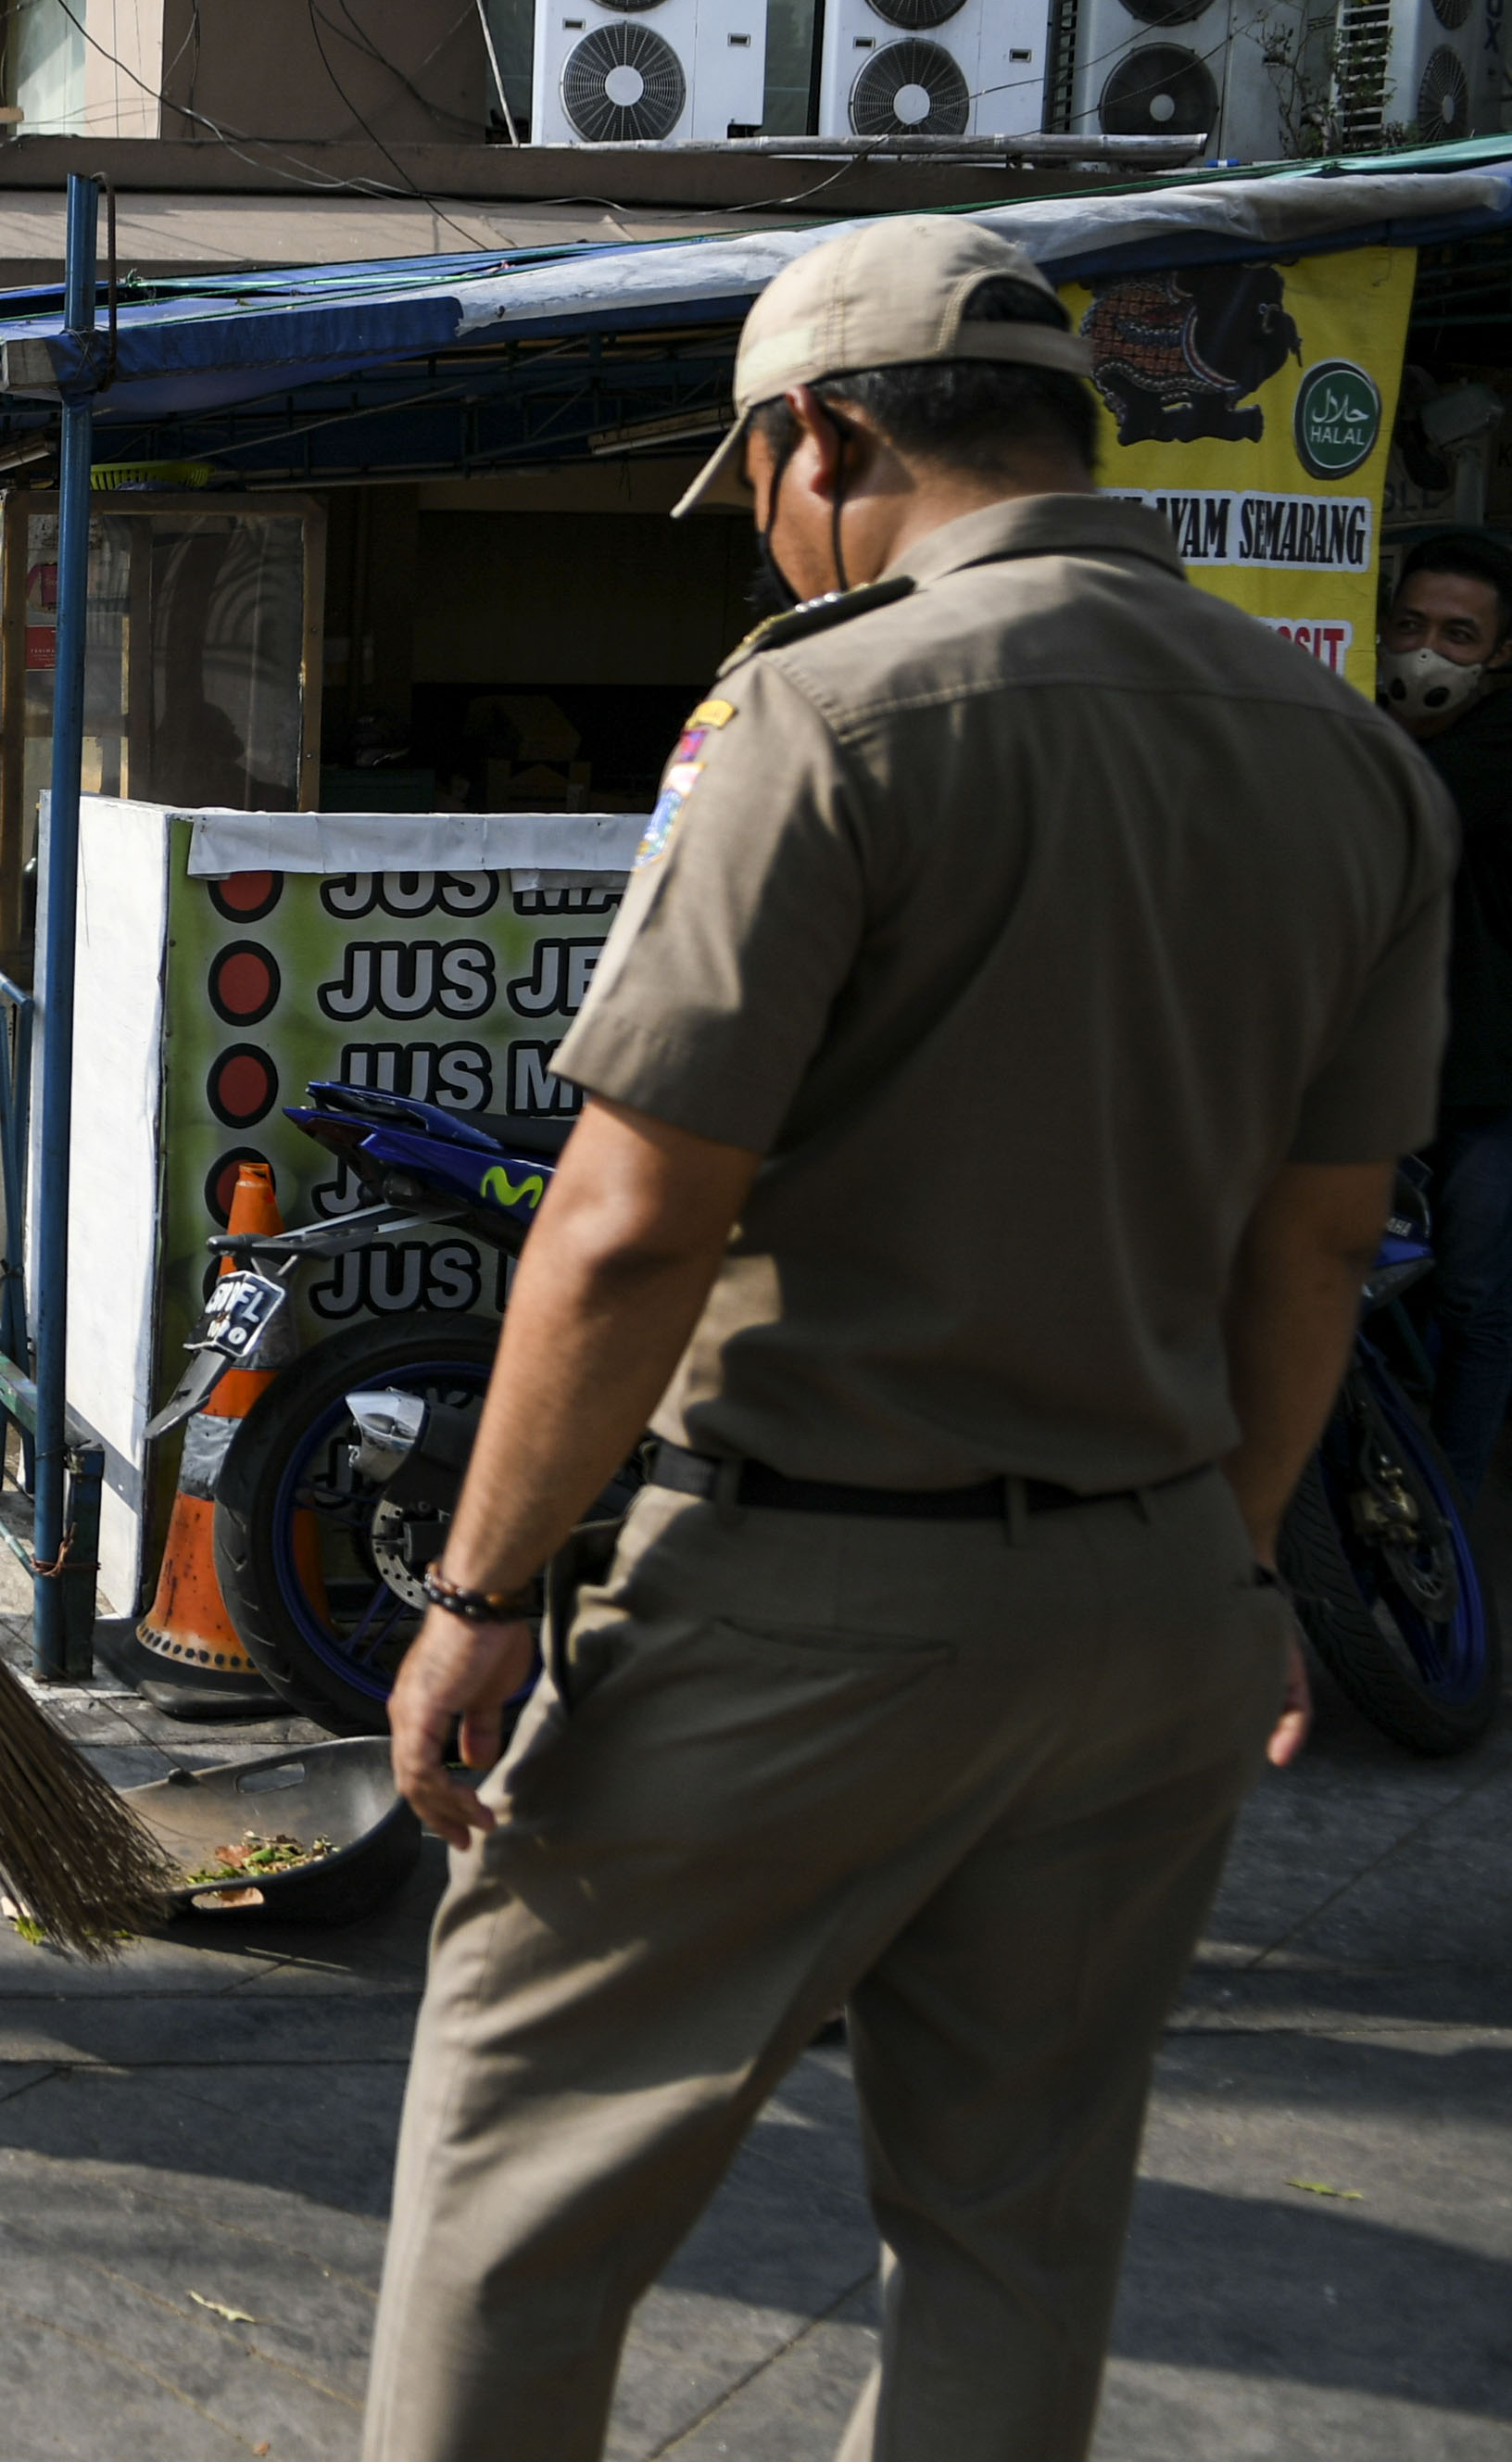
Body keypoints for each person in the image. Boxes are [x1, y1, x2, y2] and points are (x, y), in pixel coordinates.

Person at [360, 221, 1449, 2462]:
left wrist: (475, 1593)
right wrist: (1227, 1563)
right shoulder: (1349, 764)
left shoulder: (822, 712)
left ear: (819, 438)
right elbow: (1316, 1247)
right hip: (1148, 1603)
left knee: (522, 2190)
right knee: (1012, 2224)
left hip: (801, 1594)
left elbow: (629, 1214)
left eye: (757, 484)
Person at [1375, 531, 1512, 1504]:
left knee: (1471, 1296)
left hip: (1482, 1082)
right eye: (1412, 625)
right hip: (1377, 1078)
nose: (1429, 652)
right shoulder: (1374, 735)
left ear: (1502, 656)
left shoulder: (1489, 754)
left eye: (1460, 636)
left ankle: (1449, 1510)